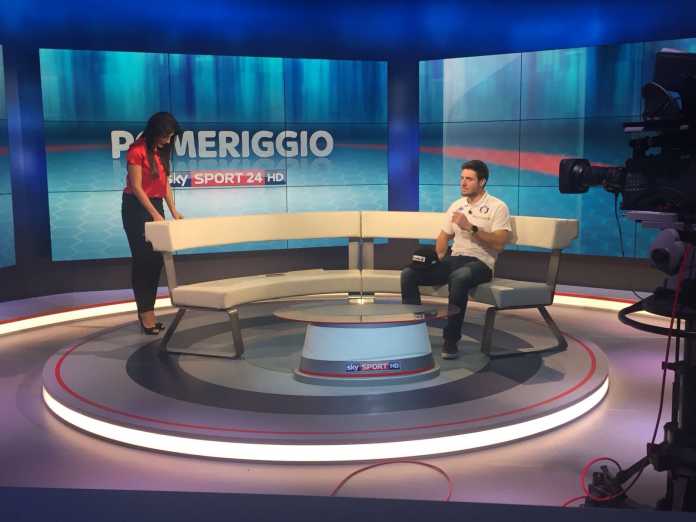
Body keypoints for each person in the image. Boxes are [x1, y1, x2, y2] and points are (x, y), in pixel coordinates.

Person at [401, 160, 511, 359]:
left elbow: (499, 243)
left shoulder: (497, 207)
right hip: (455, 258)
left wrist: (471, 228)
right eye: (461, 178)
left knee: (459, 277)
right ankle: (413, 332)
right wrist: (437, 259)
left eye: (469, 179)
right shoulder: (457, 205)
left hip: (481, 263)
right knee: (409, 274)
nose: (463, 183)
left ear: (482, 182)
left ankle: (451, 340)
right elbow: (444, 236)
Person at [122, 112, 184, 335]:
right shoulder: (136, 150)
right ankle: (145, 314)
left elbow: (164, 183)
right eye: (165, 136)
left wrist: (173, 210)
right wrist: (153, 213)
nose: (168, 141)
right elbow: (137, 187)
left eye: (171, 137)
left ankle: (149, 310)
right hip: (136, 208)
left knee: (157, 260)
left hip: (155, 205)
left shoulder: (162, 151)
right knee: (143, 260)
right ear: (154, 132)